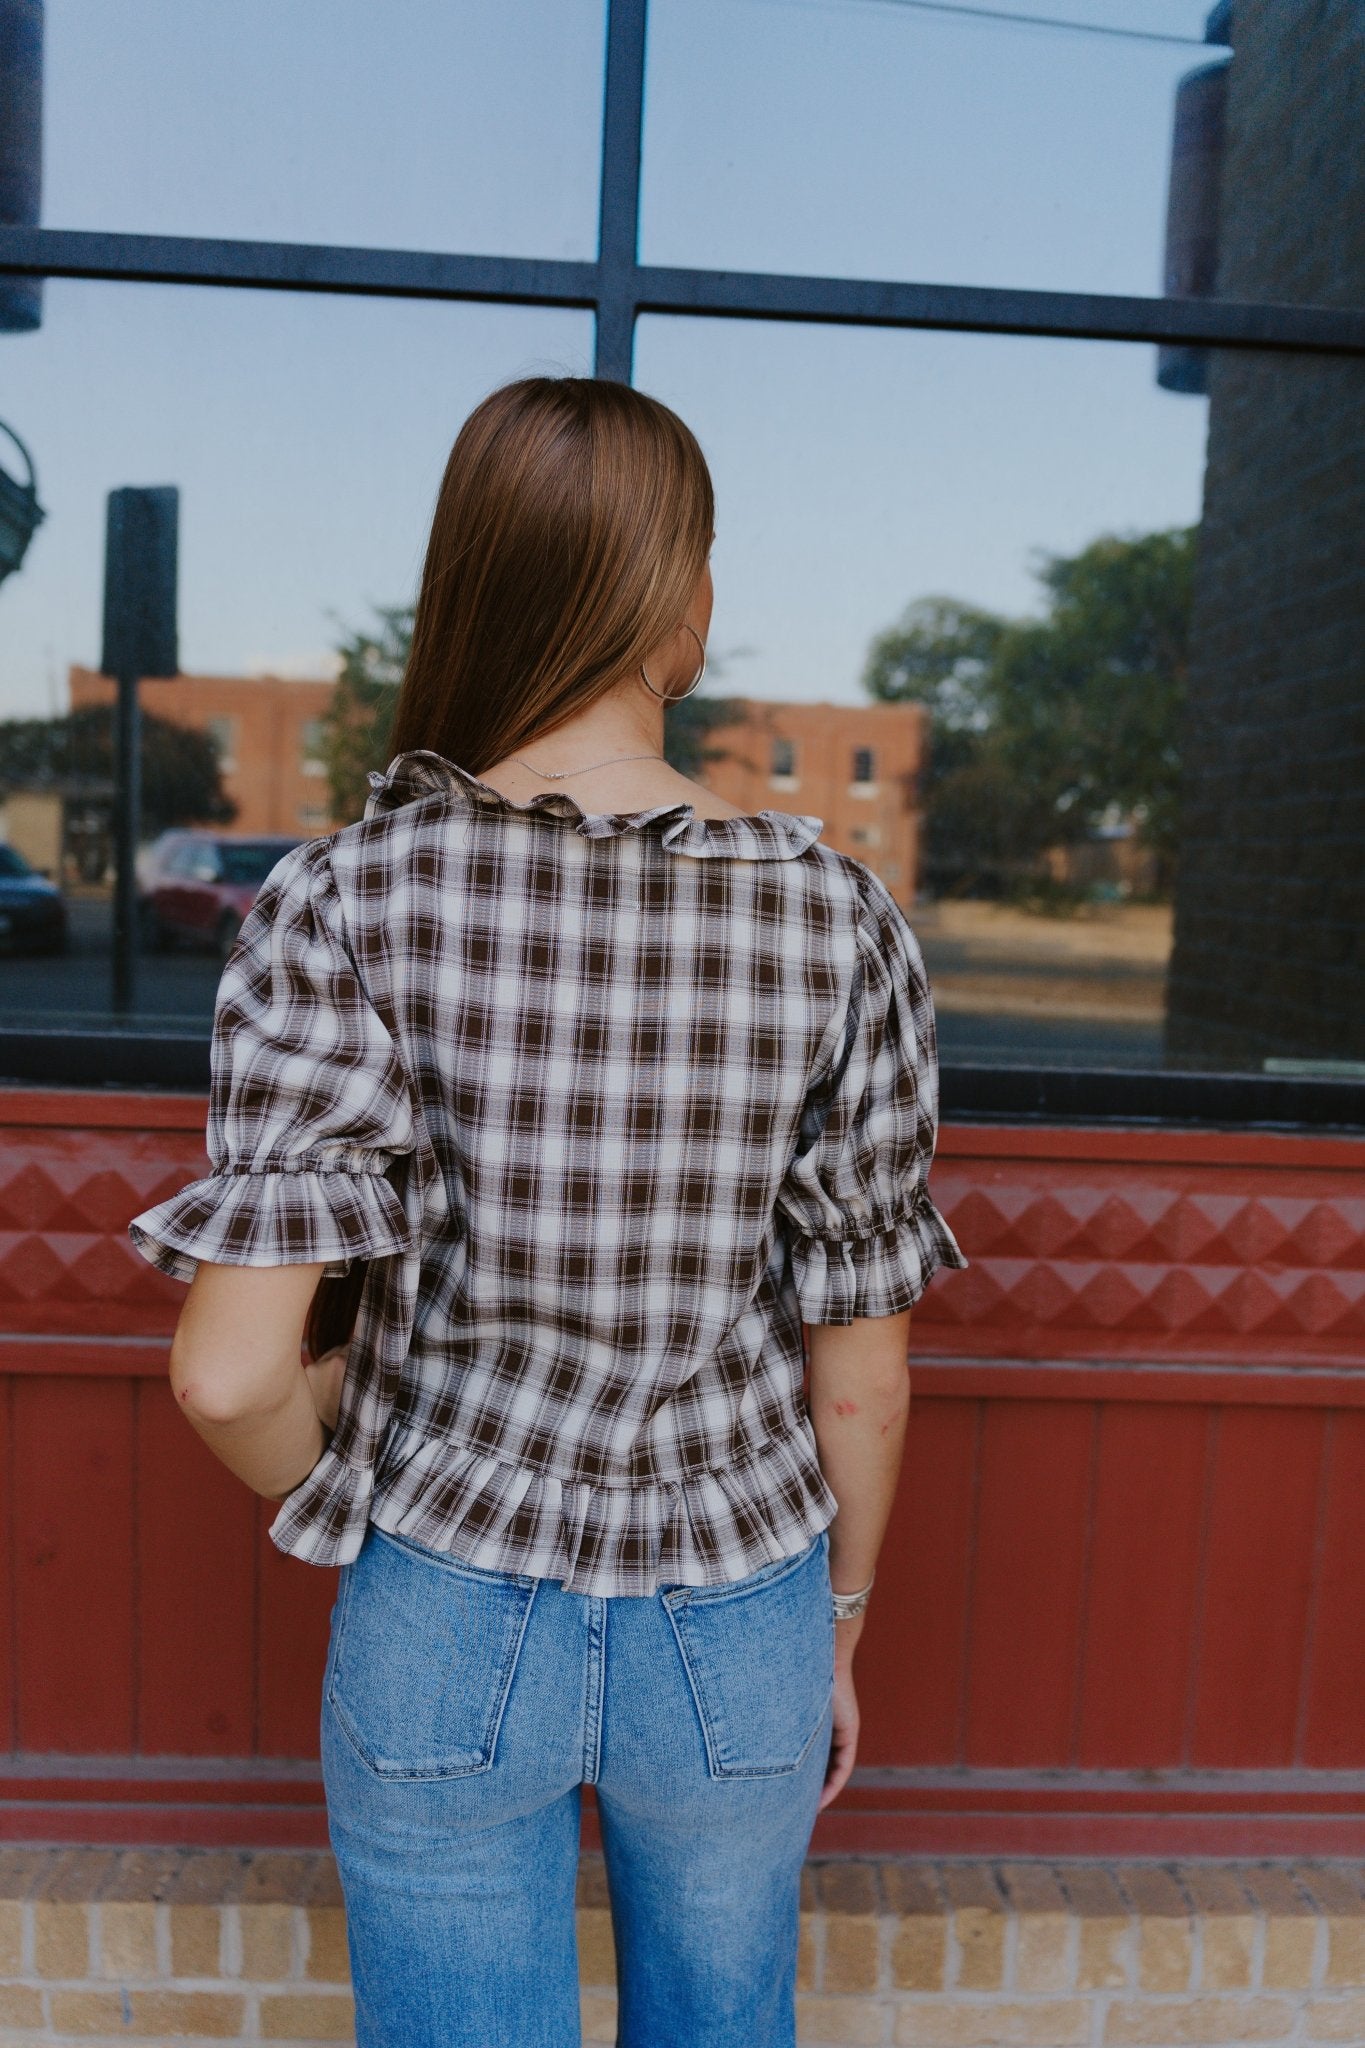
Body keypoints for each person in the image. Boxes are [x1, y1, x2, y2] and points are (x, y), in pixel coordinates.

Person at [126, 375, 968, 2048]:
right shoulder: (836, 917)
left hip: (448, 1595)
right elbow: (858, 1370)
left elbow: (225, 1377)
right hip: (742, 1611)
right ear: (683, 601)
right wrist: (840, 1626)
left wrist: (363, 1495)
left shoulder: (346, 896)